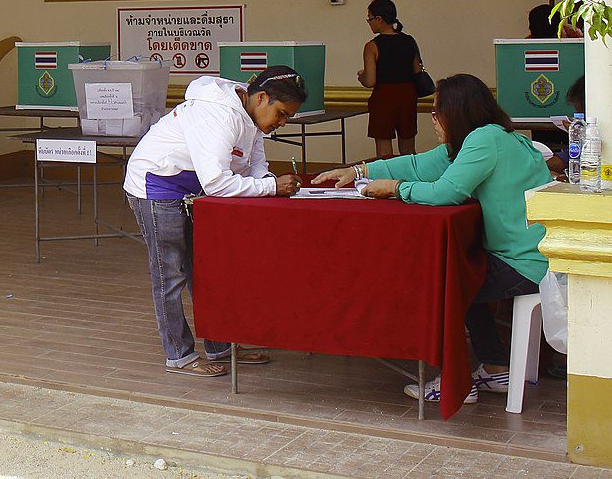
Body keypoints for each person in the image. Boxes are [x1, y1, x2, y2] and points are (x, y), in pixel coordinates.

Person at [314, 73, 551, 405]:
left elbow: (447, 192)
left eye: (436, 111)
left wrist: (397, 189)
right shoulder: (491, 137)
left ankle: (456, 382)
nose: (433, 119)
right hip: (531, 257)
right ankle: (495, 366)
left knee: (442, 284)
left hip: (522, 264)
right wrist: (359, 172)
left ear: (456, 111)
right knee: (460, 272)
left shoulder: (483, 141)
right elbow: (419, 164)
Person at [124, 66, 306, 377]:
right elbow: (217, 183)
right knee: (170, 274)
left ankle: (221, 346)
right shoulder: (220, 115)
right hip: (156, 184)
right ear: (262, 97)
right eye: (281, 113)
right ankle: (179, 355)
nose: (281, 123)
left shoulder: (250, 114)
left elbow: (254, 162)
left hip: (190, 190)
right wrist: (271, 187)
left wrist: (267, 180)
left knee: (206, 270)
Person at [360, 0, 423, 158]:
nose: (369, 22)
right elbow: (417, 69)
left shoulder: (372, 46)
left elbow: (370, 81)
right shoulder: (409, 41)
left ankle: (387, 182)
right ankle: (411, 180)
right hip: (408, 94)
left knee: (384, 152)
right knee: (408, 149)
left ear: (379, 19)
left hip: (384, 96)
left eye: (370, 18)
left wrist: (361, 76)